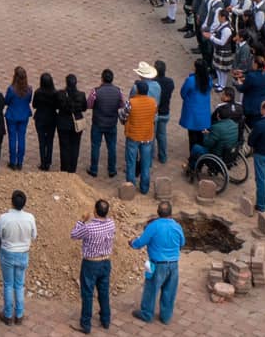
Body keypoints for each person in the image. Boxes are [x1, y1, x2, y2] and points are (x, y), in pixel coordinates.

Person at [128, 199, 184, 325]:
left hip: (156, 264)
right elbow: (182, 243)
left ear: (158, 212)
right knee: (169, 291)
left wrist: (132, 242)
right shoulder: (177, 226)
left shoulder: (153, 226)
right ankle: (166, 317)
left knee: (151, 289)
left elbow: (140, 243)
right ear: (171, 213)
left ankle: (147, 314)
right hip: (174, 265)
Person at [69, 198, 115, 334]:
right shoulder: (112, 224)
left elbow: (74, 235)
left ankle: (86, 324)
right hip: (106, 262)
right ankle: (105, 320)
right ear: (107, 212)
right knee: (104, 292)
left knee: (88, 294)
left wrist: (81, 220)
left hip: (90, 264)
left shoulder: (88, 227)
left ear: (95, 211)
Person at [0, 190, 36, 325]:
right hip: (23, 254)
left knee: (8, 284)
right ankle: (19, 315)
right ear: (24, 203)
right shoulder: (30, 217)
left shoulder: (4, 218)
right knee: (19, 285)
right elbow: (34, 236)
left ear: (11, 202)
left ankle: (7, 315)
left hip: (7, 253)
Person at [122, 69, 157, 194]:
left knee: (131, 162)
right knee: (145, 164)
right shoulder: (153, 102)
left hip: (133, 136)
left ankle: (130, 188)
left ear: (137, 90)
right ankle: (144, 188)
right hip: (147, 136)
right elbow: (153, 115)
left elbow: (124, 116)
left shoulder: (131, 102)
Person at [88, 68, 123, 179]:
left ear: (102, 79)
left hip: (98, 123)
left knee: (95, 146)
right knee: (112, 147)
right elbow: (122, 105)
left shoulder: (95, 91)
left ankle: (94, 169)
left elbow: (89, 105)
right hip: (112, 124)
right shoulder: (118, 91)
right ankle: (112, 170)